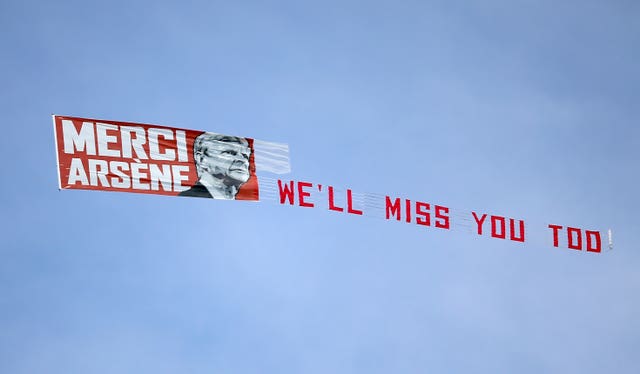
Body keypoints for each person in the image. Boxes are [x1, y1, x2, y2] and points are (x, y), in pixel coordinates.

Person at [179, 132, 252, 199]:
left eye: (245, 155)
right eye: (229, 152)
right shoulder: (188, 197)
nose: (242, 160)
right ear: (201, 159)